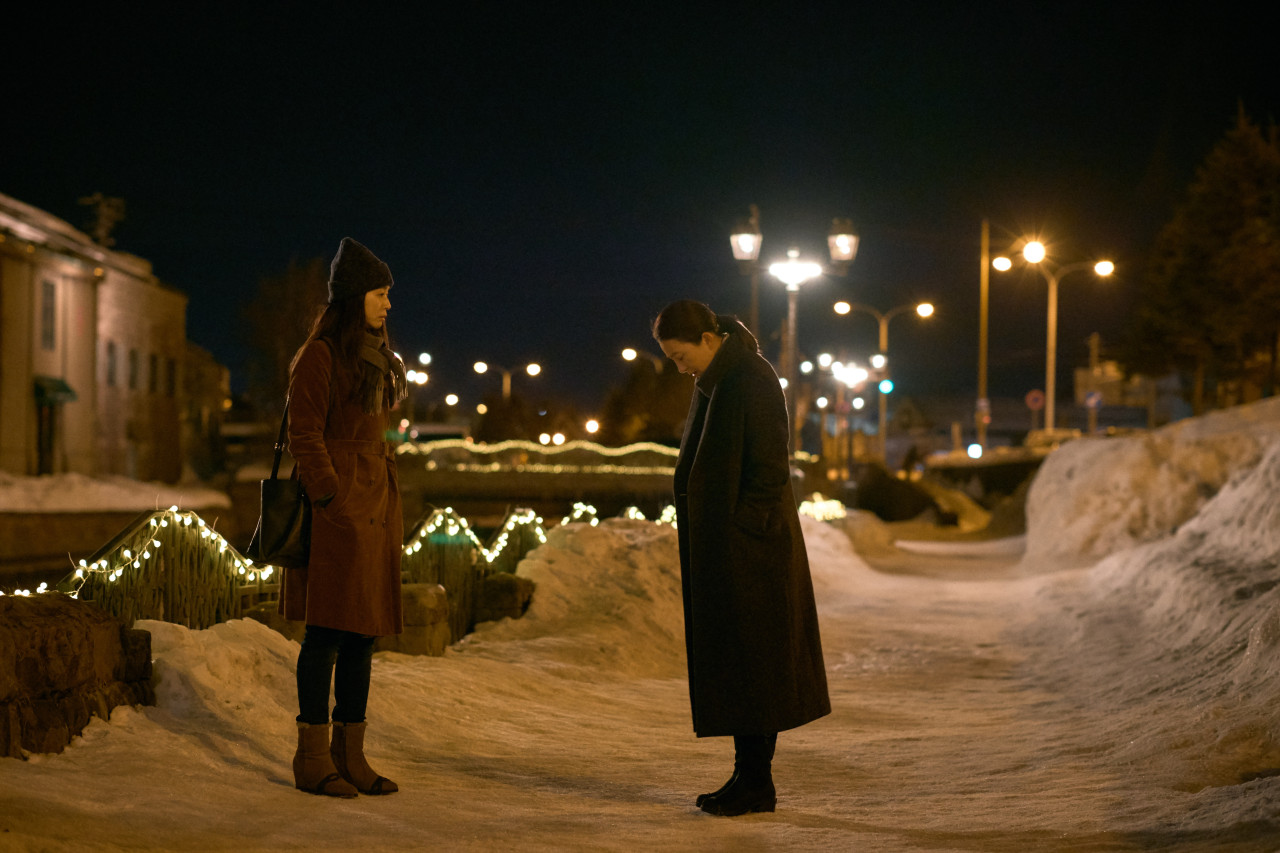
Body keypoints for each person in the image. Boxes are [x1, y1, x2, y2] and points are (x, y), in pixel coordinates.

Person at [652, 299, 830, 817]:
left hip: (752, 550)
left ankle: (756, 783)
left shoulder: (748, 379)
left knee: (755, 665)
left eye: (681, 356)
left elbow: (770, 467)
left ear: (708, 339)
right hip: (732, 547)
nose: (679, 367)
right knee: (740, 664)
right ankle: (747, 776)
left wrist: (743, 529)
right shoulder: (719, 379)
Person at [281, 237, 409, 798]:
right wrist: (331, 496)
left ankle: (349, 755)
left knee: (363, 635)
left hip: (376, 503)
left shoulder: (375, 360)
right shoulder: (321, 355)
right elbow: (304, 433)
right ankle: (311, 759)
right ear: (354, 297)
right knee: (327, 633)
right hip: (340, 508)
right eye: (380, 294)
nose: (387, 304)